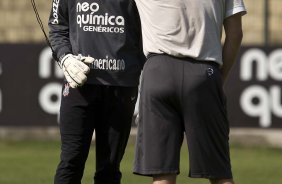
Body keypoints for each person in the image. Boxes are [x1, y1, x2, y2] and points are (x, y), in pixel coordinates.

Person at [133, 0, 246, 184]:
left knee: (162, 175)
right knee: (220, 174)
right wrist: (217, 80)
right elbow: (235, 33)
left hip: (158, 72)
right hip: (204, 72)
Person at [48, 0, 144, 183]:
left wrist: (147, 81)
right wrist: (65, 57)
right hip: (79, 86)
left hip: (122, 87)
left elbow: (147, 33)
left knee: (109, 169)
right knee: (71, 162)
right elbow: (57, 28)